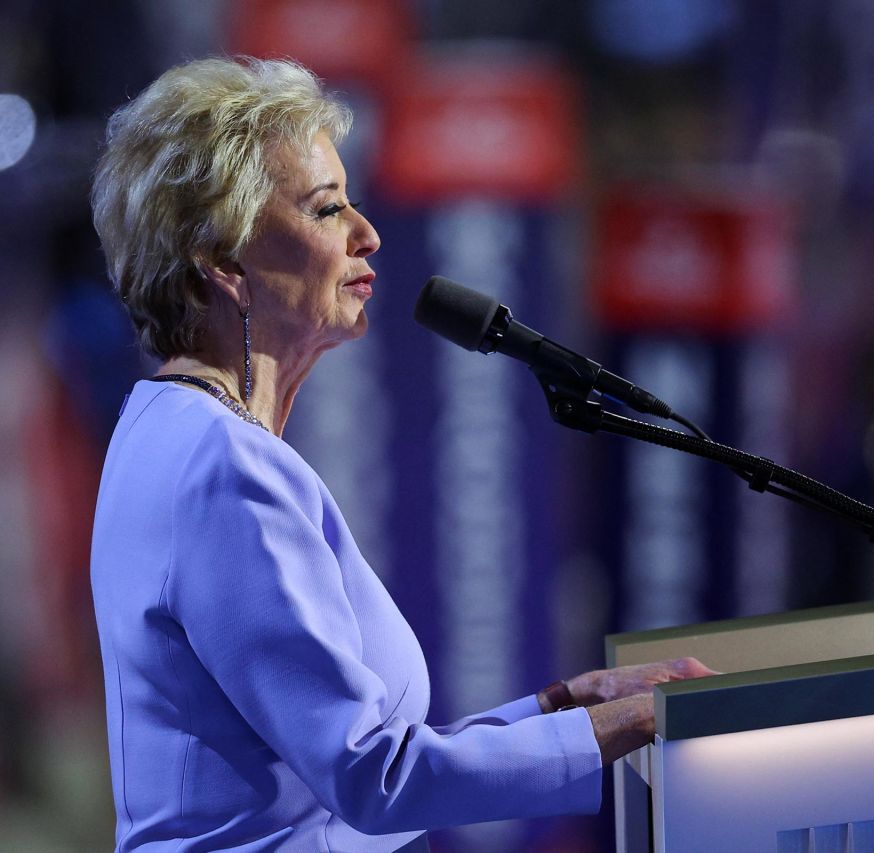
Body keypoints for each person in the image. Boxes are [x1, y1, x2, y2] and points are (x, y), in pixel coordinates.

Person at [88, 56, 714, 851]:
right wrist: (629, 724)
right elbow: (372, 779)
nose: (368, 233)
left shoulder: (165, 432)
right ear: (224, 259)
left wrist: (558, 706)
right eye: (326, 210)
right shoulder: (224, 468)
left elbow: (339, 761)